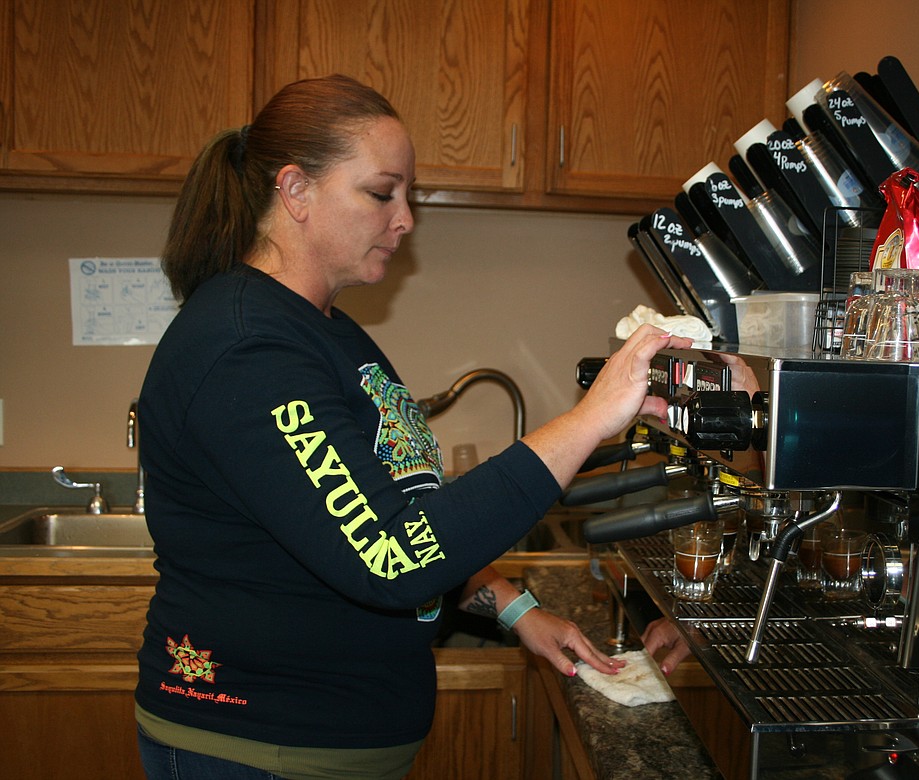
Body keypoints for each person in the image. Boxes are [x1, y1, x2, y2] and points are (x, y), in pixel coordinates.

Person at [134, 73, 693, 780]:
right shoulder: (249, 349)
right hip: (255, 748)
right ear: (295, 190)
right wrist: (587, 421)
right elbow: (391, 555)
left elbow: (396, 516)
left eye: (409, 197)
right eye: (381, 193)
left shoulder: (328, 334)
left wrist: (517, 607)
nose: (405, 220)